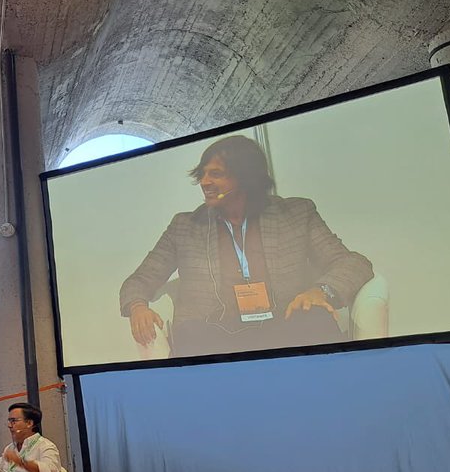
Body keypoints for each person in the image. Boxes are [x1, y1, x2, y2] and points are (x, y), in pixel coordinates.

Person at [119, 134, 374, 359]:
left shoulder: (296, 213)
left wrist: (321, 291)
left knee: (316, 319)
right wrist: (137, 307)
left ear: (246, 177)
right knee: (191, 334)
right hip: (214, 335)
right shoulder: (185, 226)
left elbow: (353, 263)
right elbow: (139, 281)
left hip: (283, 325)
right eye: (203, 174)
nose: (204, 182)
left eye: (216, 174)